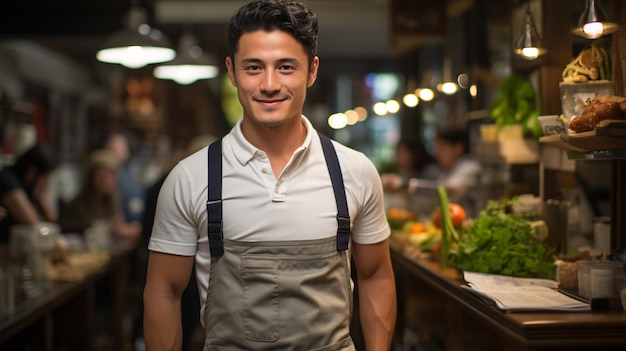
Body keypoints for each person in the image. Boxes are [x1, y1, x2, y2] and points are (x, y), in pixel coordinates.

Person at [143, 1, 397, 350]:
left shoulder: (354, 171)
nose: (270, 84)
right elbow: (164, 291)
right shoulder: (190, 178)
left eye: (286, 67)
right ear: (231, 72)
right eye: (254, 67)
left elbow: (375, 275)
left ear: (311, 71)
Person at [58, 149, 141, 239]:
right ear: (91, 178)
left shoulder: (114, 197)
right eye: (100, 176)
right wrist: (107, 226)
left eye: (109, 176)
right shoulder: (80, 203)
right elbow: (79, 228)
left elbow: (119, 225)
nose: (105, 181)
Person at [0, 143, 59, 242]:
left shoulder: (28, 187)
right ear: (32, 172)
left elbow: (53, 220)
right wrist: (39, 195)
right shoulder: (8, 180)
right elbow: (32, 223)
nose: (45, 182)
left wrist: (40, 196)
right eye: (44, 177)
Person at [433, 123, 481, 216]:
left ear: (458, 148)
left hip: (466, 223)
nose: (437, 153)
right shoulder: (446, 171)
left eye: (441, 148)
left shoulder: (470, 167)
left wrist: (407, 185)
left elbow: (449, 191)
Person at [104, 132, 145, 224]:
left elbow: (136, 219)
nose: (107, 154)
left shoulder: (129, 182)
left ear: (126, 154)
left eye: (112, 150)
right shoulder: (102, 176)